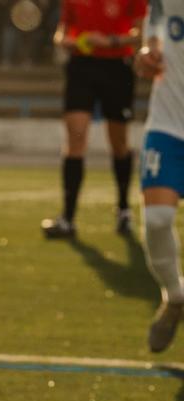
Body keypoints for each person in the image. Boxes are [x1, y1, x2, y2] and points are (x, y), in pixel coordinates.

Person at [41, 0, 147, 238]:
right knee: (76, 137)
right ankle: (68, 217)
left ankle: (123, 210)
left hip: (117, 67)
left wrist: (110, 41)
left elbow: (141, 33)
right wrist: (66, 41)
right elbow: (61, 32)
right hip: (81, 66)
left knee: (118, 142)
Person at [135, 0, 184, 351]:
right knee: (156, 218)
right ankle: (174, 296)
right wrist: (148, 47)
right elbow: (154, 13)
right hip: (169, 125)